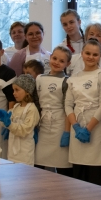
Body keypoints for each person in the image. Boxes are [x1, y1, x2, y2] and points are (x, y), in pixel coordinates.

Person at [65, 40, 101, 186]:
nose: (91, 57)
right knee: (78, 176)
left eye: (95, 54)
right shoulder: (74, 77)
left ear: (100, 56)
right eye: (88, 53)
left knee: (95, 174)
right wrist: (76, 127)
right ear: (82, 54)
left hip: (96, 127)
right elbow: (68, 105)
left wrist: (88, 129)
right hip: (77, 126)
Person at [35, 47, 71, 175]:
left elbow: (68, 109)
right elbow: (36, 104)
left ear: (68, 64)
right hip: (42, 126)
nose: (56, 62)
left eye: (61, 61)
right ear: (50, 58)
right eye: (54, 58)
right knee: (39, 166)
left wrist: (67, 132)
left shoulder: (67, 81)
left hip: (59, 126)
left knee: (62, 165)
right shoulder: (39, 78)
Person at [0, 74, 40, 166]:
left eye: (17, 90)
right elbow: (7, 122)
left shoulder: (32, 109)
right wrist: (3, 120)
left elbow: (24, 130)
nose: (14, 93)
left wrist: (9, 124)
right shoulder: (16, 107)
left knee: (24, 173)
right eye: (13, 90)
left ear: (27, 91)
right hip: (12, 150)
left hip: (25, 153)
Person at [59, 10, 86, 76]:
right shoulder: (61, 47)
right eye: (65, 24)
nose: (68, 26)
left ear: (79, 22)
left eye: (71, 22)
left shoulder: (89, 43)